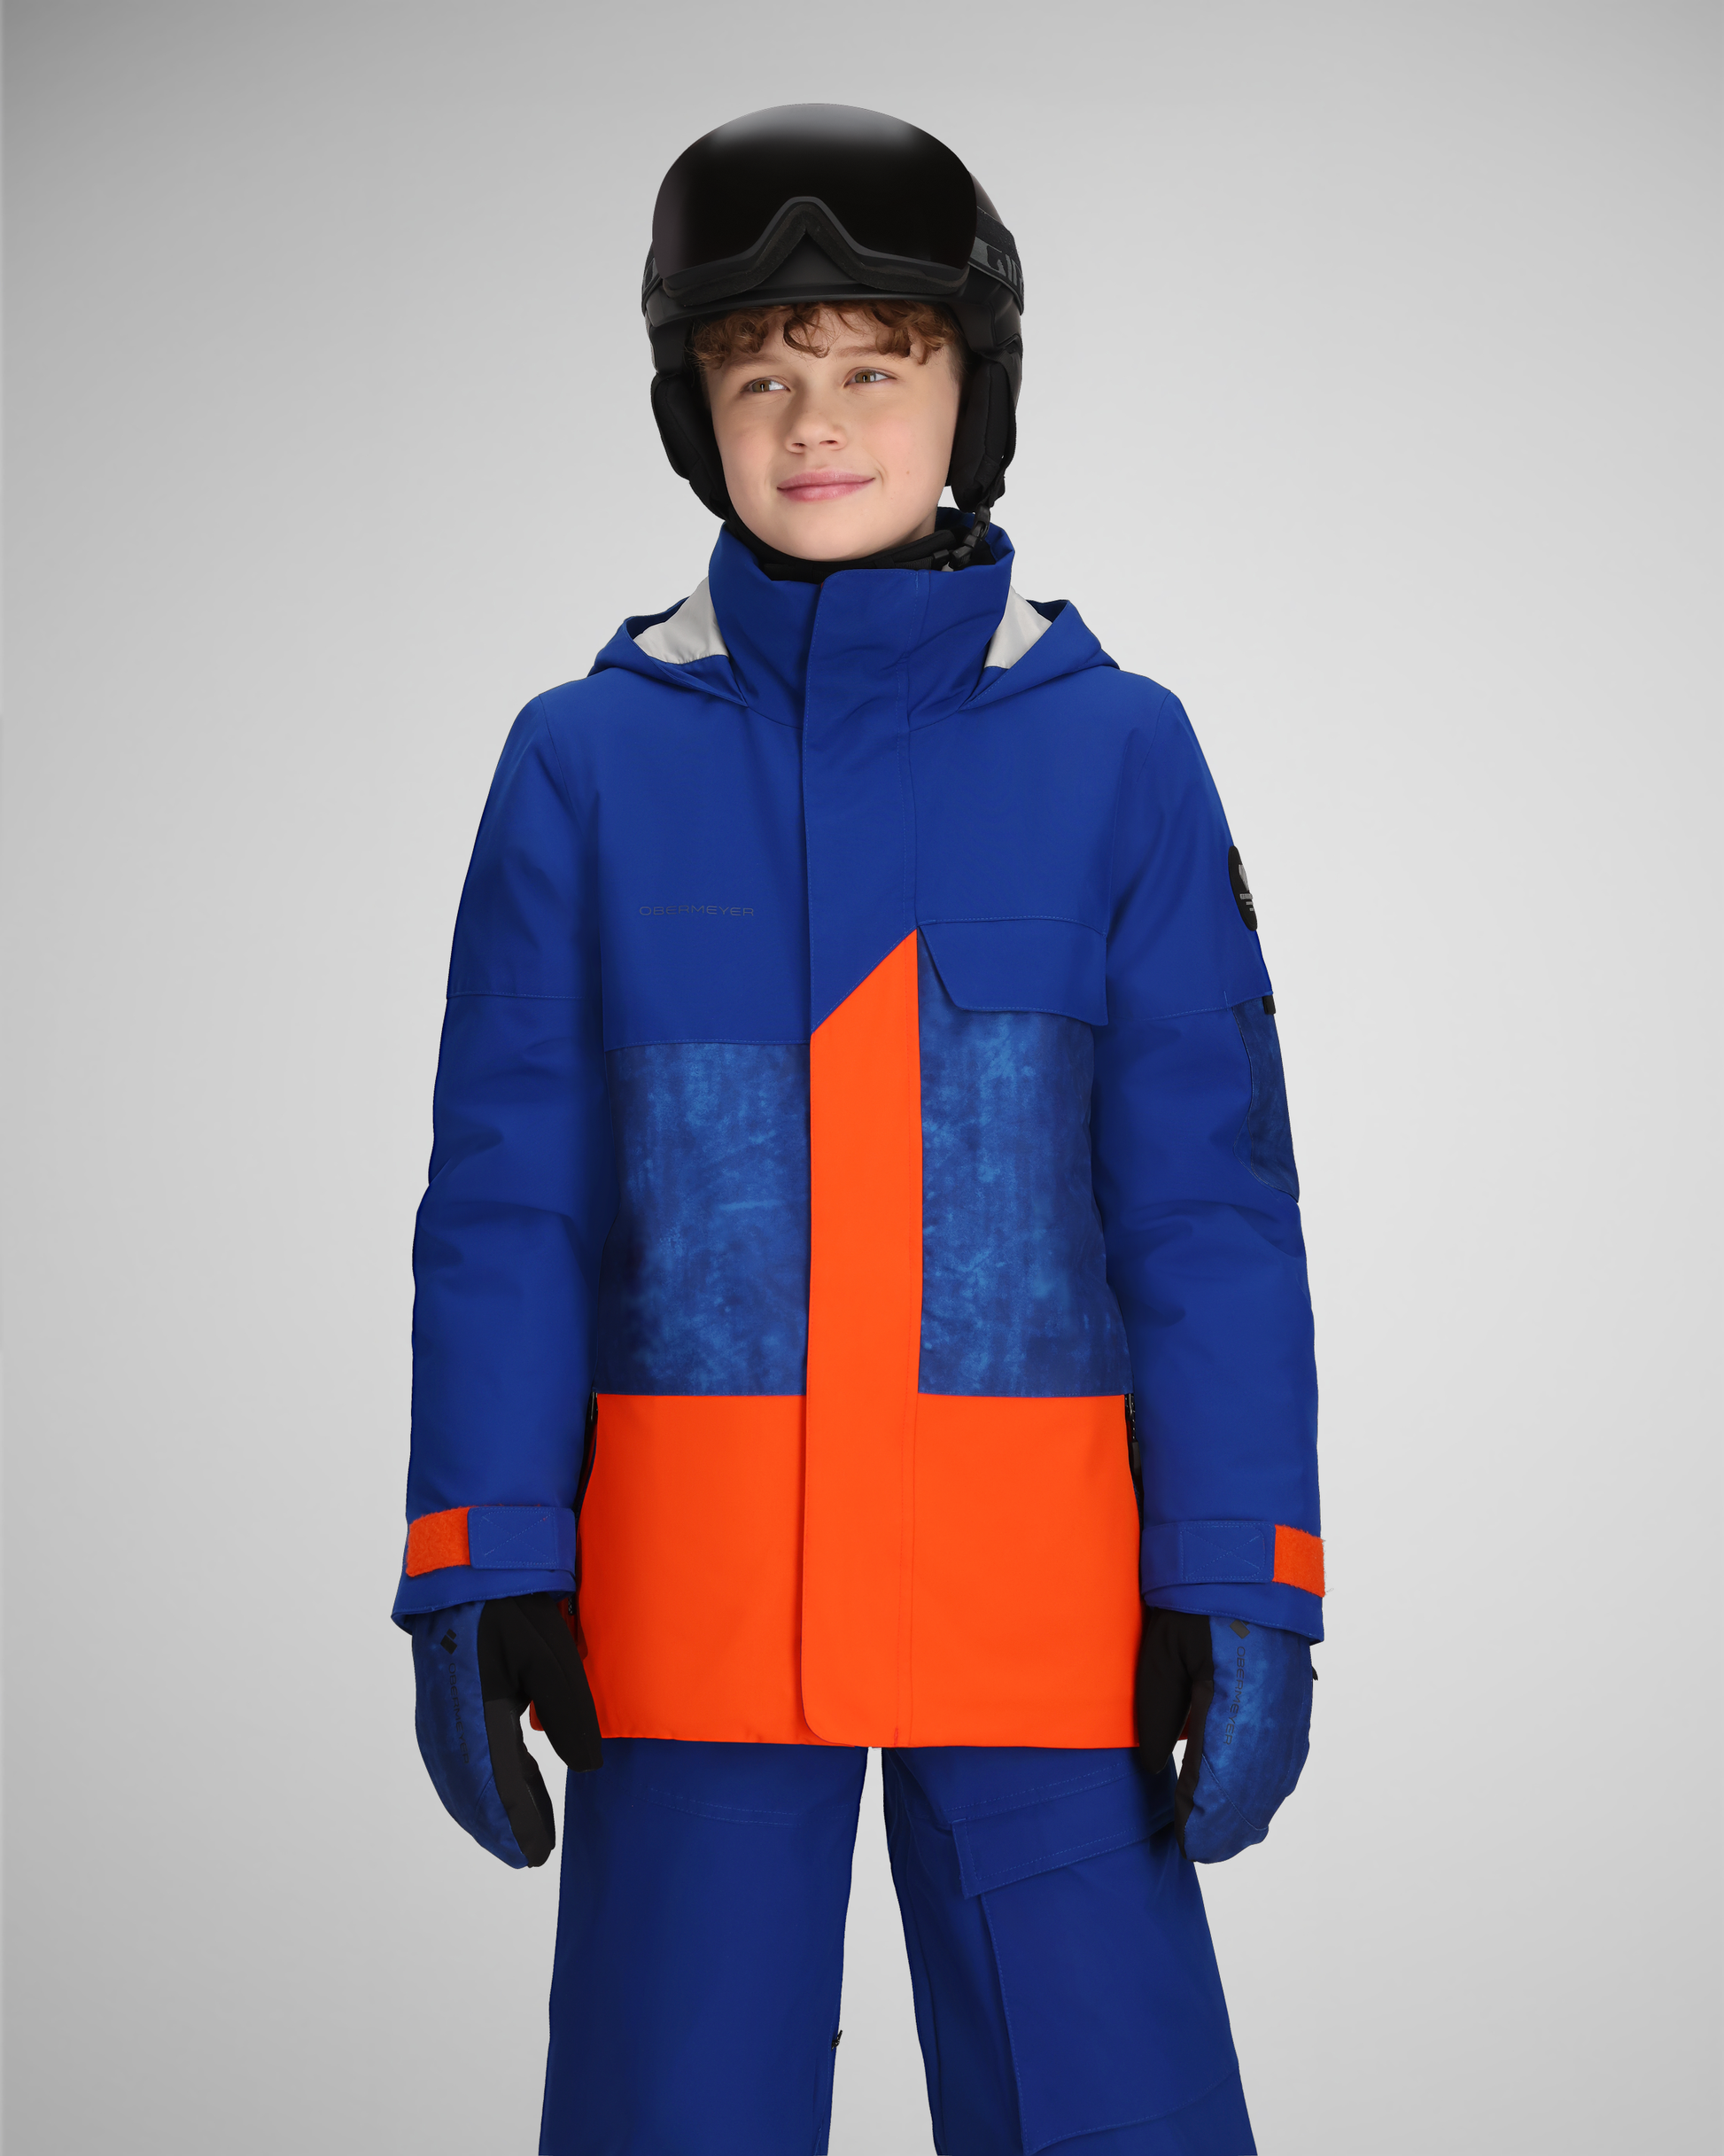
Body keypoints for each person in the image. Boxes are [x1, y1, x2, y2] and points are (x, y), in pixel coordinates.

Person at [392, 103, 1323, 2156]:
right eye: (760, 378)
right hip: (687, 1603)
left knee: (1109, 2111)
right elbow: (509, 1206)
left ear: (971, 393)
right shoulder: (583, 765)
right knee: (671, 2113)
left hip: (1046, 1604)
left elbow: (1206, 1206)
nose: (816, 424)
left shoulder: (1118, 753)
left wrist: (1242, 1569)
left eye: (872, 371)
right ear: (693, 418)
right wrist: (484, 1550)